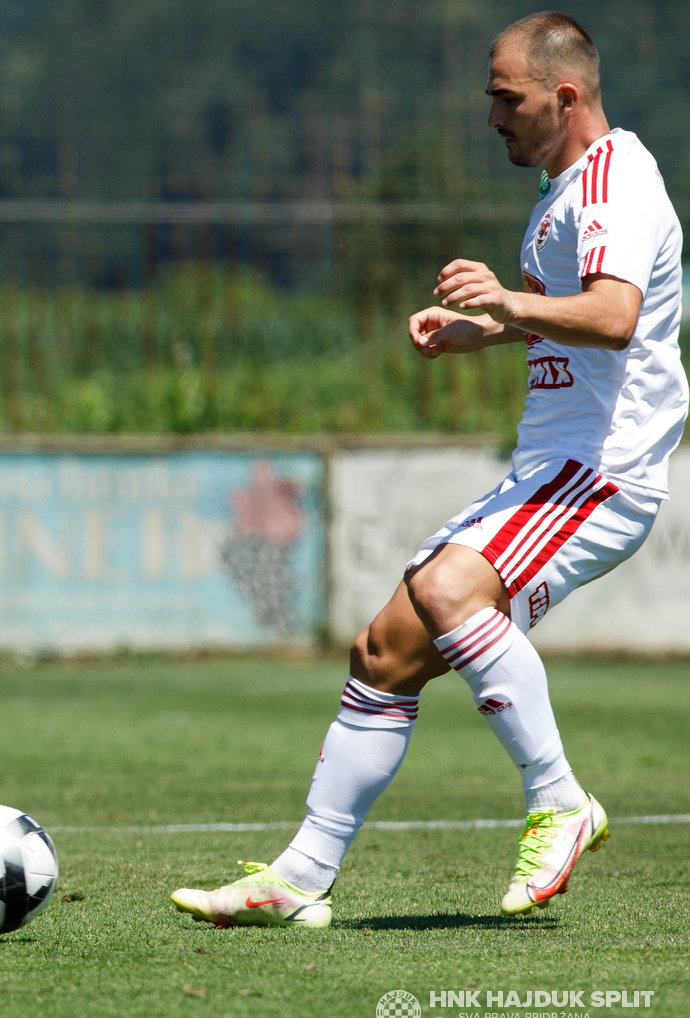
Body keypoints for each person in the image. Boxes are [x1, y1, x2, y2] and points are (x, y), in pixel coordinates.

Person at [172, 12, 685, 927]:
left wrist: (505, 295)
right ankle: (301, 877)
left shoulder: (616, 178)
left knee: (451, 591)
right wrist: (486, 328)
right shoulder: (562, 186)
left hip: (600, 469)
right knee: (384, 649)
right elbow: (575, 317)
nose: (491, 114)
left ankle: (560, 799)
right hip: (550, 470)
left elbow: (612, 316)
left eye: (507, 97)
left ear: (564, 95)